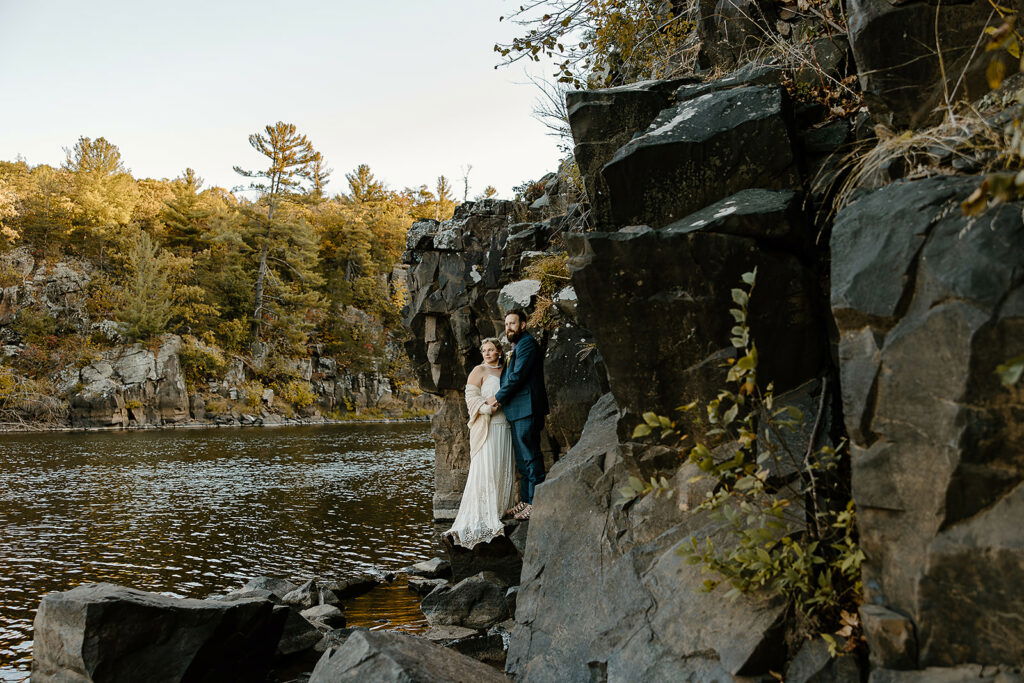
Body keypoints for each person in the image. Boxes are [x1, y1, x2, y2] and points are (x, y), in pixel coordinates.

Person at [445, 338, 515, 548]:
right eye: (484, 350)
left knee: (503, 466)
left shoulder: (507, 369)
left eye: (491, 350)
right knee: (488, 467)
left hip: (506, 424)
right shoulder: (479, 370)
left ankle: (501, 508)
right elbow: (471, 398)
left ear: (499, 351)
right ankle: (485, 513)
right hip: (488, 424)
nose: (487, 353)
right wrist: (487, 409)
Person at [488, 310, 549, 521]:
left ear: (523, 324)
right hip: (517, 409)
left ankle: (536, 502)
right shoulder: (515, 346)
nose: (508, 328)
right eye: (506, 324)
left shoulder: (527, 344)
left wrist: (497, 397)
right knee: (523, 460)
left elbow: (517, 376)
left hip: (528, 407)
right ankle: (525, 499)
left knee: (531, 455)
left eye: (512, 323)